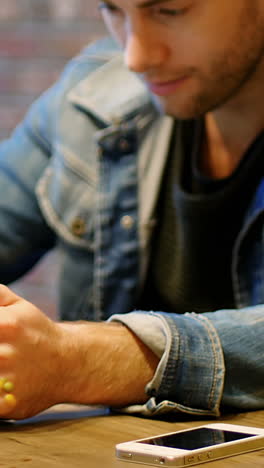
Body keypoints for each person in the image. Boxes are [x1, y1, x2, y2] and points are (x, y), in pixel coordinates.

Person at [0, 0, 263, 421]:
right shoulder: (93, 97)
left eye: (170, 11)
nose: (136, 57)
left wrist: (77, 360)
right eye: (113, 10)